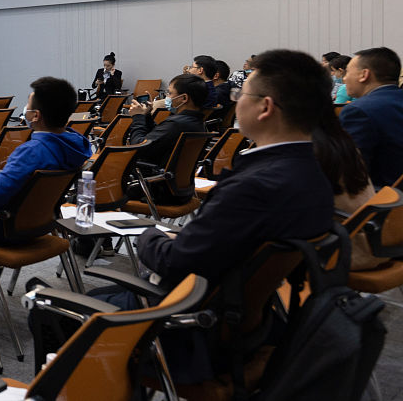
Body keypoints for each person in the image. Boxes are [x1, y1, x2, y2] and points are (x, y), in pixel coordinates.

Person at [136, 50, 336, 289]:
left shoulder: (249, 188)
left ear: (265, 108)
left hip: (181, 309)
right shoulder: (317, 170)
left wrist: (147, 235)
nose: (235, 100)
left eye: (241, 94)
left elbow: (175, 262)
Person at [0, 77, 90, 238]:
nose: (25, 109)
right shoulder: (77, 146)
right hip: (43, 224)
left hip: (5, 229)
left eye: (28, 105)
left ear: (35, 115)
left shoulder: (31, 152)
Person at [340, 47, 403, 188]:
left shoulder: (358, 112)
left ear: (364, 75)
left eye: (348, 72)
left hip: (383, 202)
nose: (344, 79)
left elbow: (351, 173)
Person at [125, 74, 209, 167]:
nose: (167, 97)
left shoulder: (176, 124)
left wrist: (137, 117)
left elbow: (137, 147)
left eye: (169, 93)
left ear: (184, 98)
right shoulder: (196, 122)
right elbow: (158, 138)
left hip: (148, 172)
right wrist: (147, 116)